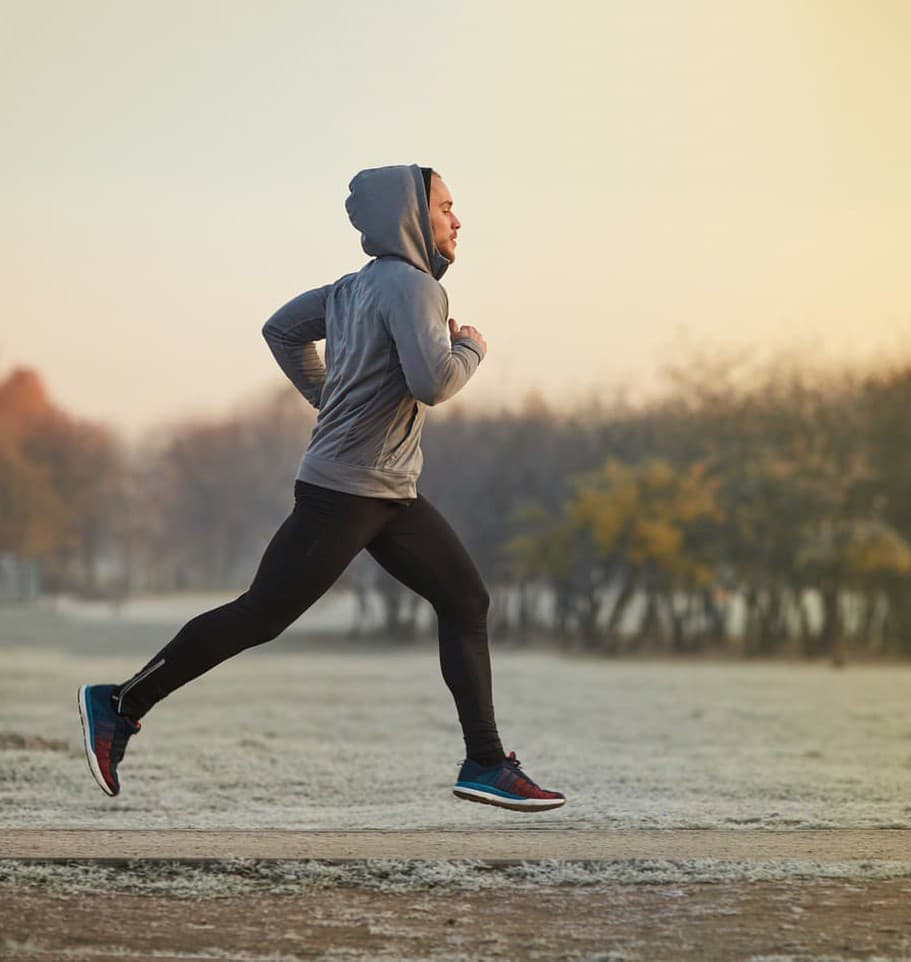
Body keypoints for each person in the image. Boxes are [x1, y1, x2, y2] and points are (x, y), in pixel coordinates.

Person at [77, 164, 566, 813]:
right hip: (347, 492)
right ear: (412, 216)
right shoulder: (416, 289)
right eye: (446, 206)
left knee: (465, 600)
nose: (457, 219)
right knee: (261, 613)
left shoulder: (354, 288)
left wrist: (325, 395)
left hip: (388, 492)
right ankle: (118, 704)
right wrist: (471, 348)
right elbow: (434, 382)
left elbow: (281, 328)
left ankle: (484, 761)